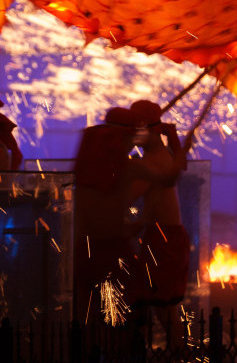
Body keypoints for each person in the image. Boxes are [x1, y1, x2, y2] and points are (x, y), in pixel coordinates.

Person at [125, 100, 192, 348]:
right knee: (160, 306)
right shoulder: (157, 157)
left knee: (166, 310)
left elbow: (126, 197)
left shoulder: (153, 162)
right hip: (160, 237)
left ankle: (180, 356)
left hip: (165, 241)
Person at [71, 108, 141, 324]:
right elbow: (167, 174)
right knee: (118, 319)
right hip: (110, 253)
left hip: (84, 250)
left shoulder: (86, 163)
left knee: (88, 316)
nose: (133, 144)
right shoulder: (122, 167)